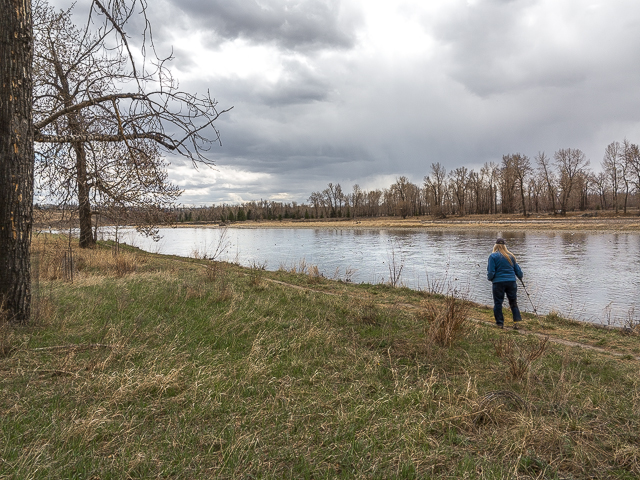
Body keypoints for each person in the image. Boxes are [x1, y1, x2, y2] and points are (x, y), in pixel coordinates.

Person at [487, 237, 523, 329]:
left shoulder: (492, 256)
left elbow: (491, 272)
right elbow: (518, 271)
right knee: (513, 302)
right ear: (504, 246)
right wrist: (520, 278)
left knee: (498, 303)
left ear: (495, 246)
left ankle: (500, 323)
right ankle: (516, 323)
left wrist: (490, 279)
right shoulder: (511, 256)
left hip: (498, 282)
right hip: (511, 282)